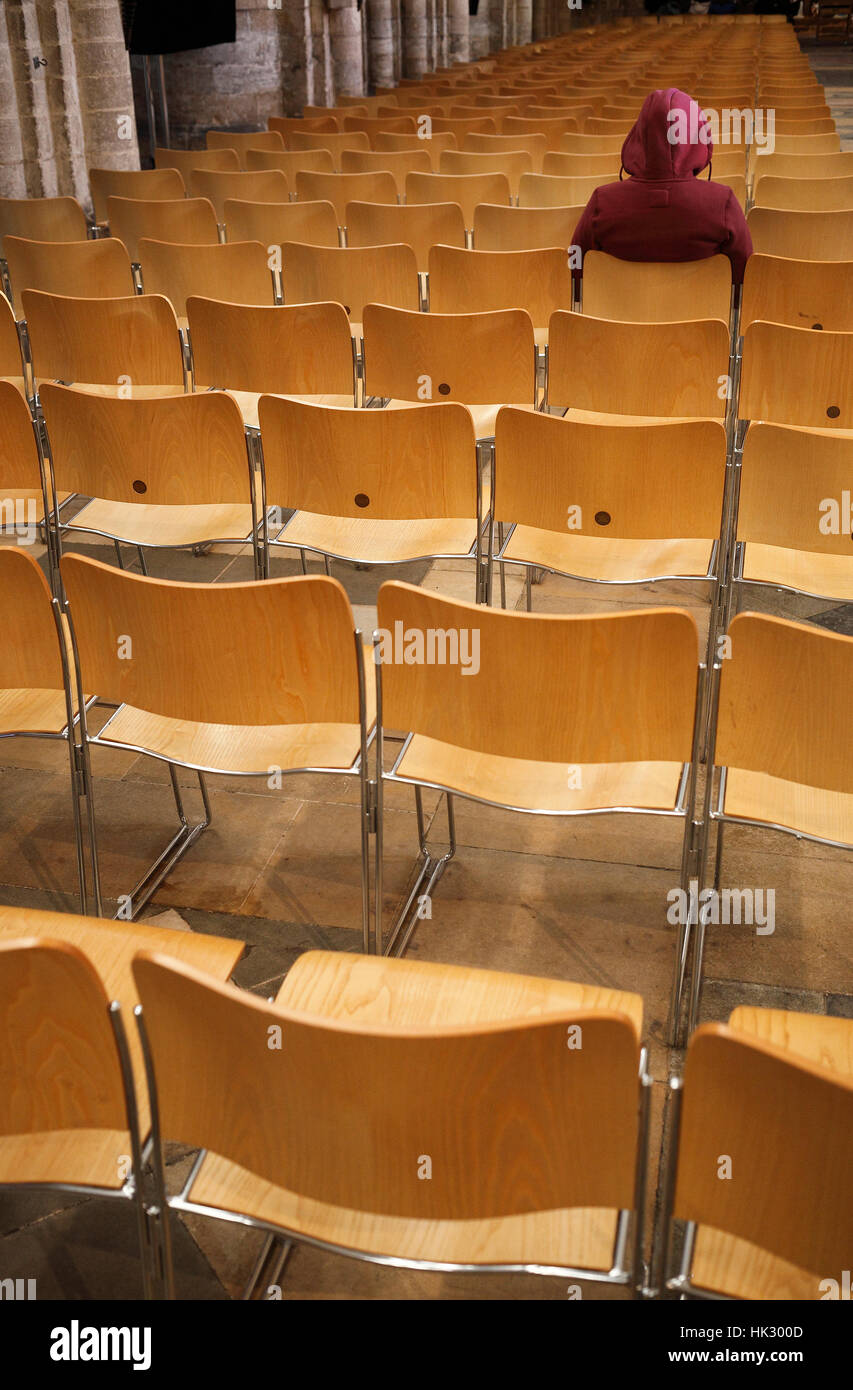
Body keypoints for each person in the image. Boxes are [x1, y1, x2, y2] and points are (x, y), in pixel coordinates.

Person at [572, 88, 753, 285]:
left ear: (638, 135)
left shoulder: (602, 202)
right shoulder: (722, 203)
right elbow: (745, 278)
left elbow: (576, 272)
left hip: (618, 316)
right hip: (704, 314)